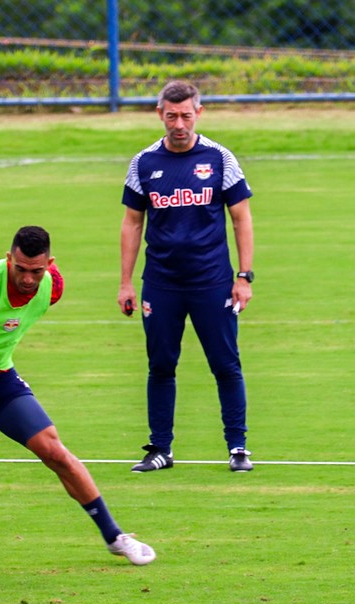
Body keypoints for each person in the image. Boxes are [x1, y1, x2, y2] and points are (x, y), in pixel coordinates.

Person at [0, 226, 155, 565]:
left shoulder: (53, 287)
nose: (27, 278)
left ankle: (115, 536)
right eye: (20, 268)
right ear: (9, 258)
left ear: (49, 264)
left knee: (55, 451)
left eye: (36, 271)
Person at [118, 80, 255, 473]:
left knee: (226, 364)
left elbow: (241, 217)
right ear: (159, 114)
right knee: (160, 365)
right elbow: (132, 222)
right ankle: (160, 448)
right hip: (161, 283)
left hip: (212, 281)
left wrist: (244, 276)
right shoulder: (143, 162)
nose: (179, 124)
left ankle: (238, 447)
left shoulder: (219, 158)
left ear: (199, 113)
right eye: (171, 115)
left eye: (186, 115)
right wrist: (126, 282)